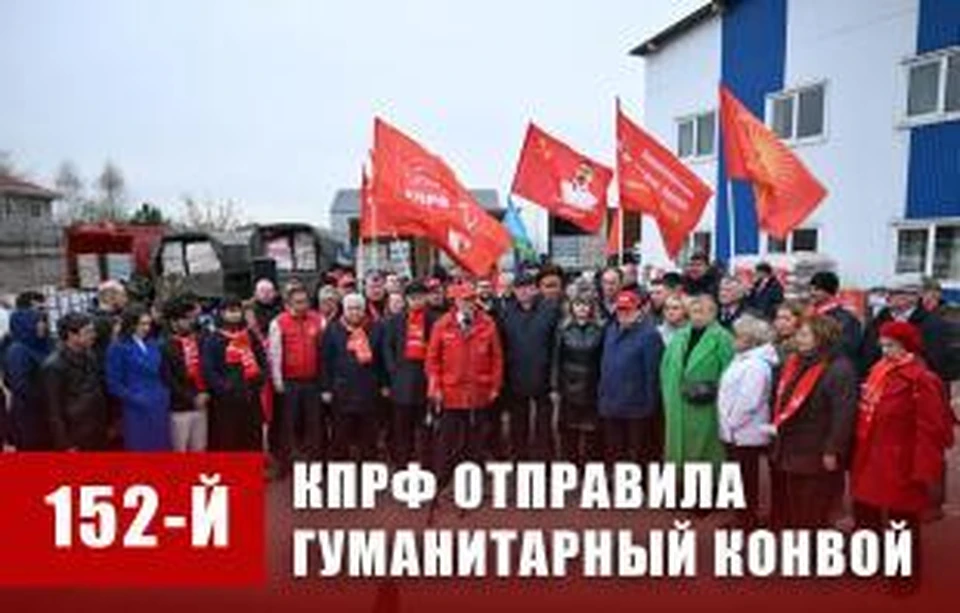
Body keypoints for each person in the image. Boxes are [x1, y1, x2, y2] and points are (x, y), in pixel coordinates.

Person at [851, 321, 953, 592]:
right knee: (867, 511)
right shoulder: (878, 371)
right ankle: (871, 561)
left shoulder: (922, 380)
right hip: (871, 455)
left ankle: (904, 576)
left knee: (901, 521)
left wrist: (924, 469)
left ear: (908, 347)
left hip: (901, 461)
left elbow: (931, 429)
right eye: (883, 345)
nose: (885, 351)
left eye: (891, 345)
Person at [768, 315, 858, 528]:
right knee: (797, 505)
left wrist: (833, 449)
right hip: (792, 446)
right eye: (799, 334)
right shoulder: (796, 361)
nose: (798, 338)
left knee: (814, 508)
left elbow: (843, 415)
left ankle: (814, 545)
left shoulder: (839, 368)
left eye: (804, 335)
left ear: (821, 338)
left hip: (816, 449)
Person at [426, 282, 503, 489]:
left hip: (478, 393)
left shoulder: (488, 323)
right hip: (450, 394)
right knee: (447, 441)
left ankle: (473, 482)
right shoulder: (442, 324)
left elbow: (496, 358)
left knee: (476, 440)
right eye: (465, 300)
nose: (469, 304)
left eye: (472, 299)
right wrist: (435, 389)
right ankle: (442, 481)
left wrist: (495, 386)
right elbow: (432, 360)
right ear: (456, 302)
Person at [717, 314, 778, 528]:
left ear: (751, 340)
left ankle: (747, 520)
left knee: (746, 478)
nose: (734, 339)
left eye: (738, 336)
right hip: (734, 430)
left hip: (744, 431)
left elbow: (749, 401)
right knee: (739, 477)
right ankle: (740, 517)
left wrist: (731, 423)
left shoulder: (756, 366)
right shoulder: (743, 359)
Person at [661, 295, 734, 468]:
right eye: (694, 311)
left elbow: (729, 373)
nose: (697, 316)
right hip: (676, 402)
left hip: (706, 405)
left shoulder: (723, 338)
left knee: (704, 450)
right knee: (676, 448)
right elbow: (665, 367)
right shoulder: (680, 336)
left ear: (713, 313)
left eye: (702, 311)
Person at [500, 271, 561, 460]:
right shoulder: (506, 312)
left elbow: (556, 346)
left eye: (528, 287)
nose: (524, 292)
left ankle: (545, 462)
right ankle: (520, 460)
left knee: (544, 425)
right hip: (516, 376)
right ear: (514, 291)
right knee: (518, 425)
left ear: (535, 289)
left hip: (543, 377)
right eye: (520, 288)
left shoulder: (550, 310)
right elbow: (502, 345)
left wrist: (554, 380)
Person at [598, 291, 663, 463]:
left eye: (628, 309)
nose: (623, 314)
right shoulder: (611, 330)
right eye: (620, 309)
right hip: (611, 405)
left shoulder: (650, 335)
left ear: (639, 311)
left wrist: (650, 406)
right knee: (614, 451)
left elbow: (652, 374)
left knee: (637, 453)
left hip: (636, 408)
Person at [269, 285, 326, 467]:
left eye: (305, 302)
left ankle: (315, 462)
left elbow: (325, 353)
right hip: (289, 382)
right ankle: (285, 463)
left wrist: (325, 382)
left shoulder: (319, 320)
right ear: (288, 304)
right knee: (288, 424)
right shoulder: (278, 322)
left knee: (314, 424)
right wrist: (278, 381)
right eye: (298, 302)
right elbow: (274, 354)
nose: (303, 306)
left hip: (313, 381)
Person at [322, 293, 383, 461]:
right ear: (344, 310)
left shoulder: (375, 328)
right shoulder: (332, 329)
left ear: (363, 310)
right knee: (340, 436)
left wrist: (384, 384)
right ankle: (340, 468)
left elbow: (381, 359)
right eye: (350, 308)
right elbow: (325, 360)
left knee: (368, 436)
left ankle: (368, 468)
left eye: (358, 308)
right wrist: (326, 388)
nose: (354, 312)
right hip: (342, 391)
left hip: (368, 390)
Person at [382, 281, 437, 466]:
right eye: (413, 298)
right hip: (401, 381)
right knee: (401, 428)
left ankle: (427, 464)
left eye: (420, 297)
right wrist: (393, 373)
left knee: (426, 428)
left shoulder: (434, 320)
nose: (417, 301)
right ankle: (401, 463)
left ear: (426, 298)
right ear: (406, 299)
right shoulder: (395, 321)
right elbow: (387, 348)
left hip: (425, 380)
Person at [202, 297, 267, 451]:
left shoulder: (250, 336)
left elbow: (262, 360)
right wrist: (226, 388)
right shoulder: (213, 339)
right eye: (230, 311)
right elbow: (209, 370)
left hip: (251, 397)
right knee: (228, 442)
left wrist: (260, 379)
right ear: (222, 313)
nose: (235, 314)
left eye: (237, 310)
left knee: (252, 440)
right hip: (225, 402)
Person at [861, 277, 951, 385]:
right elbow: (865, 356)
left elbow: (937, 361)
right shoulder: (877, 322)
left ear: (914, 297)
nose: (888, 297)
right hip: (879, 384)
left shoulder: (932, 324)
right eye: (887, 293)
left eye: (895, 293)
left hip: (916, 385)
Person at [106, 305, 171, 451]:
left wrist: (164, 392)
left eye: (148, 323)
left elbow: (160, 371)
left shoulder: (152, 343)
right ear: (131, 324)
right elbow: (113, 383)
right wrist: (135, 398)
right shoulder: (118, 347)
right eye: (142, 324)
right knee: (140, 446)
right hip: (135, 407)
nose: (146, 328)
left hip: (159, 402)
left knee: (161, 446)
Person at [551, 291, 604, 465]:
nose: (582, 308)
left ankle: (590, 465)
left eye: (586, 304)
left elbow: (603, 359)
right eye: (578, 304)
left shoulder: (600, 329)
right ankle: (571, 464)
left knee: (592, 430)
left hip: (592, 385)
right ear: (572, 307)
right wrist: (555, 386)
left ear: (591, 308)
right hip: (569, 386)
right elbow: (556, 359)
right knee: (568, 429)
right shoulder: (563, 329)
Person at [41, 313, 108, 451]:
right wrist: (65, 444)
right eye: (88, 332)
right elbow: (54, 410)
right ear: (72, 335)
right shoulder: (54, 366)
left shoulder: (89, 354)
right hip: (76, 435)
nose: (94, 335)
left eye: (93, 331)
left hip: (96, 429)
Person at [161, 297, 210, 452]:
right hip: (179, 406)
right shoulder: (165, 345)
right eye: (185, 319)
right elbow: (168, 378)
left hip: (202, 402)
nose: (190, 322)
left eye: (191, 318)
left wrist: (205, 392)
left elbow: (207, 368)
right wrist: (191, 398)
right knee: (179, 449)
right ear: (173, 322)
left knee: (200, 448)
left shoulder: (200, 340)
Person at [4, 307, 52, 449]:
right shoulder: (17, 351)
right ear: (25, 325)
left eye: (43, 321)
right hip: (29, 415)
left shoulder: (42, 345)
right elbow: (20, 385)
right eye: (37, 322)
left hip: (44, 411)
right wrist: (46, 395)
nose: (42, 325)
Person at [808, 271, 862, 367]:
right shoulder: (811, 313)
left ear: (828, 292)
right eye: (810, 289)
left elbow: (846, 349)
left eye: (816, 289)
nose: (811, 293)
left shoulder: (844, 318)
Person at [773, 300, 805, 365]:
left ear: (799, 320)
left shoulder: (802, 347)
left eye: (787, 319)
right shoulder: (774, 342)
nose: (781, 323)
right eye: (778, 318)